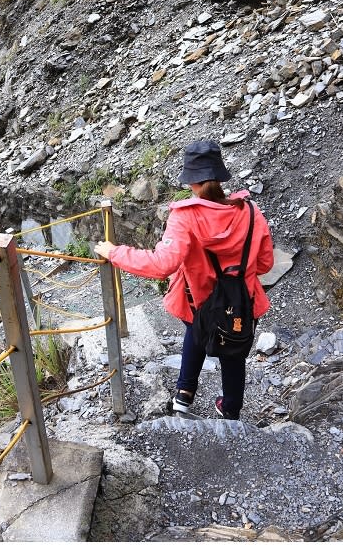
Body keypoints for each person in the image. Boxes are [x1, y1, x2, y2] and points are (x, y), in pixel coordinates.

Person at [95, 139, 274, 420]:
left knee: (196, 328)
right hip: (241, 303)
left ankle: (184, 396)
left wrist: (113, 252)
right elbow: (265, 264)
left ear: (191, 181)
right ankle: (230, 412)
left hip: (199, 303)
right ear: (220, 176)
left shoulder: (185, 216)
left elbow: (160, 265)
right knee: (233, 349)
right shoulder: (251, 212)